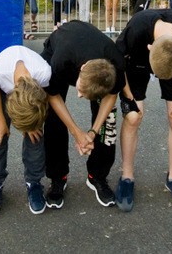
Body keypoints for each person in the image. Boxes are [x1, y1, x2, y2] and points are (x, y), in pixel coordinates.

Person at [114, 9, 172, 212]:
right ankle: (127, 176)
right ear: (150, 47)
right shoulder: (136, 30)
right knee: (133, 117)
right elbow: (118, 64)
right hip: (136, 62)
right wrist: (129, 98)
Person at [41, 20, 125, 209]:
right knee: (54, 119)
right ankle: (58, 177)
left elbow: (111, 97)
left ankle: (98, 176)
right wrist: (77, 132)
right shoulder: (61, 60)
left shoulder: (117, 65)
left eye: (83, 94)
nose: (78, 96)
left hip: (95, 56)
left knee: (108, 122)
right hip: (60, 48)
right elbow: (53, 96)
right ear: (80, 71)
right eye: (80, 89)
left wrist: (93, 132)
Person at [0, 45, 50, 217]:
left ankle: (34, 183)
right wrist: (0, 120)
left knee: (35, 135)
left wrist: (32, 125)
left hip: (32, 95)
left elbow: (43, 98)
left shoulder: (43, 72)